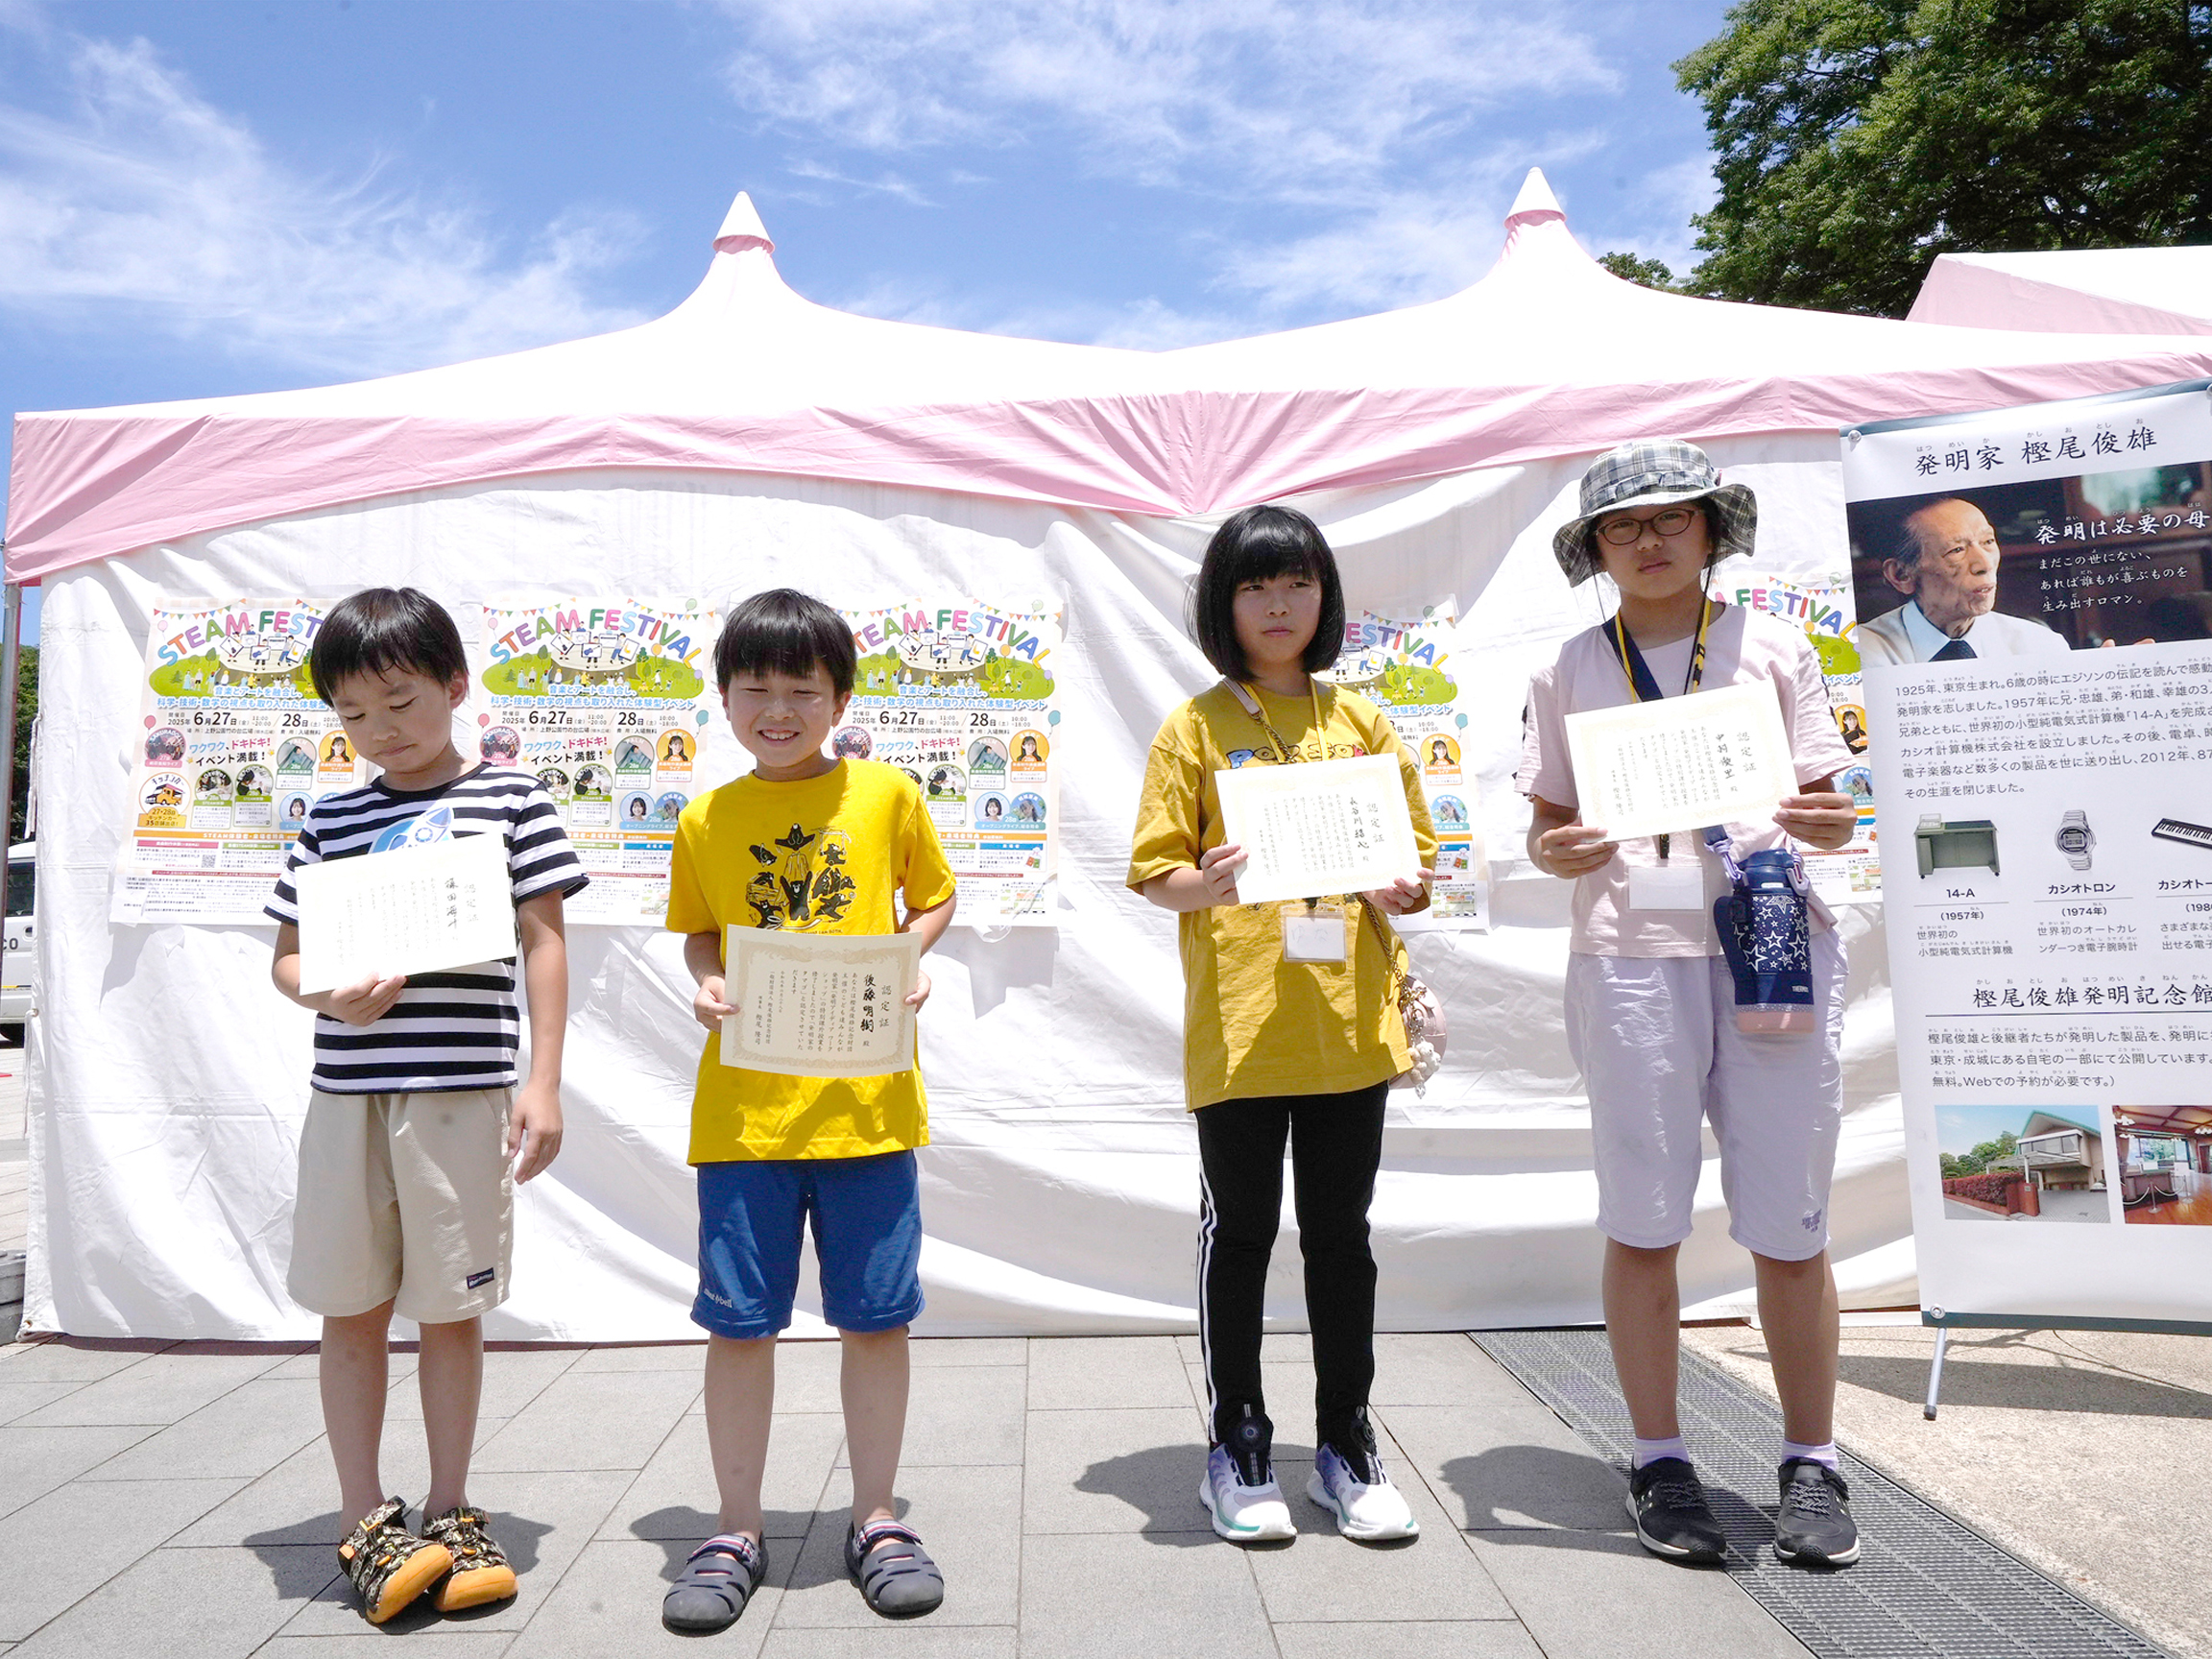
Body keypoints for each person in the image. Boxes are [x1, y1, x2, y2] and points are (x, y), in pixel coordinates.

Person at [1519, 442, 1863, 1569]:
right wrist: (1559, 851)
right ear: (1595, 550)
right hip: (1631, 956)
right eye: (1623, 525)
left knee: (1792, 1219)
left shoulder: (1772, 646)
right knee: (1644, 1217)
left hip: (1771, 944)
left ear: (1713, 529)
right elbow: (1548, 824)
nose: (1651, 540)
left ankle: (1812, 1457)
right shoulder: (1572, 666)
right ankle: (1659, 1457)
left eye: (1673, 517)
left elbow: (1826, 805)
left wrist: (1830, 823)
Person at [265, 588, 586, 1623]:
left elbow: (545, 939)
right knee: (349, 1305)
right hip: (347, 1098)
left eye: (401, 701)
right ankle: (364, 1517)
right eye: (354, 713)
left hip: (461, 1093)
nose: (381, 729)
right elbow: (286, 960)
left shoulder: (512, 799)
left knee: (453, 1307)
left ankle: (451, 1506)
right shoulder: (330, 817)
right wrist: (325, 993)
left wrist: (543, 1080)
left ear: (455, 685)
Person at [1128, 503, 1434, 1546]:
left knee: (1343, 1240)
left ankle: (1346, 1444)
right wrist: (1207, 884)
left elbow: (1416, 869)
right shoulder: (1195, 726)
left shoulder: (1363, 723)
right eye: (1255, 586)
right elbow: (1156, 875)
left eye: (1297, 583)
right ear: (1223, 604)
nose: (1277, 605)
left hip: (1349, 1025)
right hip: (1243, 1027)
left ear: (1325, 597)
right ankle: (1239, 1444)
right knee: (1242, 1236)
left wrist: (1403, 888)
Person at [661, 589, 957, 1634]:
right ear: (725, 699)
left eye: (803, 689)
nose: (779, 710)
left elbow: (933, 896)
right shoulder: (705, 817)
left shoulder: (885, 795)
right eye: (756, 689)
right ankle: (735, 1527)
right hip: (745, 1118)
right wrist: (706, 979)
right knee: (739, 1326)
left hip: (869, 1109)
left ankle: (876, 1517)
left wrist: (911, 956)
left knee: (877, 1319)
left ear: (840, 698)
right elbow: (700, 930)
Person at [1854, 497, 2070, 664]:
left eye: (1988, 541)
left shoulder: (2040, 645)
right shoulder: (1862, 653)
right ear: (1901, 574)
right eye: (1956, 550)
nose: (1984, 564)